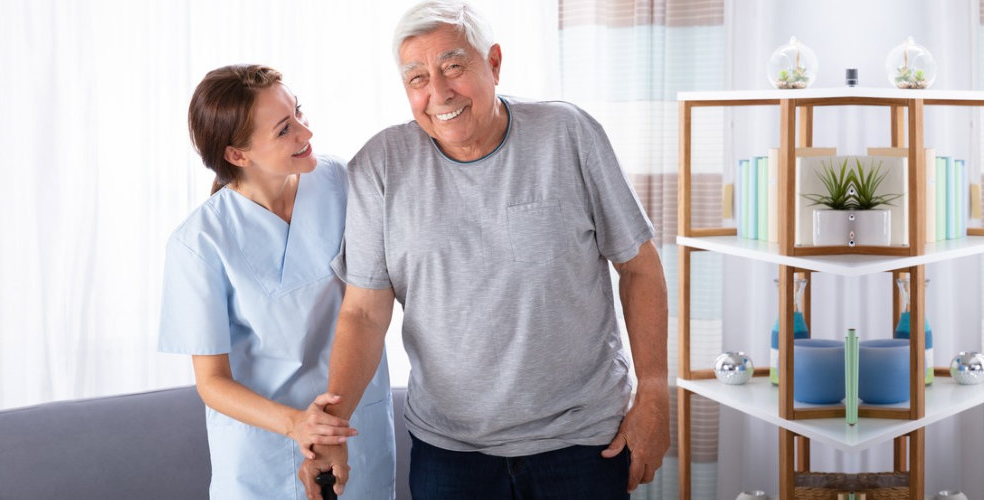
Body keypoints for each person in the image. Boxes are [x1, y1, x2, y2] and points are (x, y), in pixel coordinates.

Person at [302, 1, 670, 499]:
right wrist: (334, 425)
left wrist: (653, 393)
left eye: (453, 66)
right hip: (450, 455)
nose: (438, 92)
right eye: (417, 79)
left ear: (493, 63)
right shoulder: (380, 167)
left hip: (582, 443)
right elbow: (365, 314)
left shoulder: (567, 134)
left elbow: (640, 266)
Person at [159, 64, 396, 499]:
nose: (306, 133)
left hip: (354, 436)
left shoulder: (341, 183)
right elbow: (212, 382)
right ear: (237, 155)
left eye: (299, 113)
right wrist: (296, 424)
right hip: (263, 456)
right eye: (285, 129)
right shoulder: (200, 242)